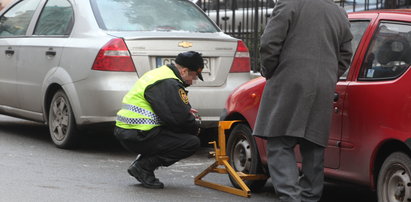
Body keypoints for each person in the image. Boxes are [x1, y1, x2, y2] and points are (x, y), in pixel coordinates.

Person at [253, 0, 353, 201]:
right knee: (313, 143)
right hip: (323, 85)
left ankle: (291, 197)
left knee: (279, 142)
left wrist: (270, 71)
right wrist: (328, 76)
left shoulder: (289, 4)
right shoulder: (339, 12)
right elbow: (346, 54)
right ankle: (310, 197)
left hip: (289, 81)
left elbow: (269, 44)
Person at [114, 51, 204, 189]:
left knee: (178, 134)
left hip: (130, 130)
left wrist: (183, 112)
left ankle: (141, 163)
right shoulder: (168, 83)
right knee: (190, 142)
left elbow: (169, 111)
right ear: (184, 71)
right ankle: (143, 167)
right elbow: (179, 119)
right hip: (138, 134)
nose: (192, 81)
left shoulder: (160, 74)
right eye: (193, 76)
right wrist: (195, 125)